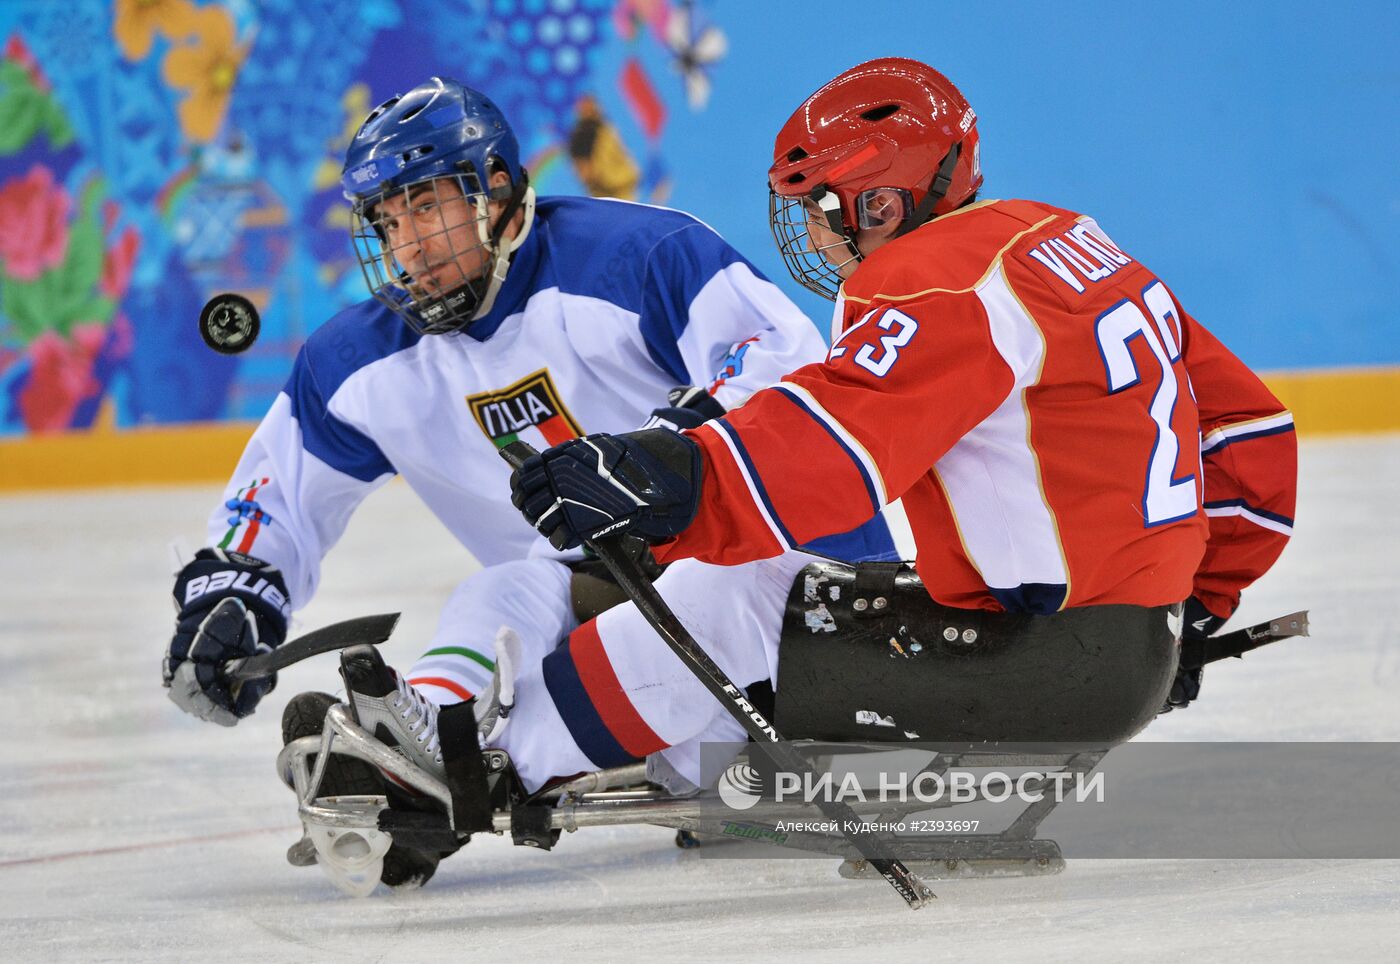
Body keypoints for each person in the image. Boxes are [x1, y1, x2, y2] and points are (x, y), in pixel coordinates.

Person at [509, 58, 1298, 754]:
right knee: (788, 585)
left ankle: (506, 763)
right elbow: (1249, 432)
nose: (817, 240)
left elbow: (838, 442)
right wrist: (1189, 608)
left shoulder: (937, 278)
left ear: (883, 203)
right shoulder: (1067, 242)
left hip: (1044, 664)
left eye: (821, 208)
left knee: (728, 595)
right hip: (1129, 646)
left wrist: (673, 474)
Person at [161, 75, 903, 730]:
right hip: (602, 606)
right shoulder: (356, 363)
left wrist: (664, 455)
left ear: (493, 184)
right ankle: (419, 747)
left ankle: (494, 755)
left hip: (784, 582)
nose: (407, 246)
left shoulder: (638, 256)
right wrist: (235, 598)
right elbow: (278, 502)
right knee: (507, 587)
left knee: (668, 596)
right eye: (388, 222)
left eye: (424, 207)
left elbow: (791, 374)